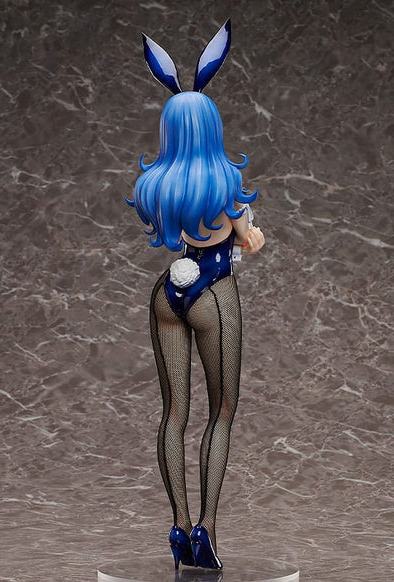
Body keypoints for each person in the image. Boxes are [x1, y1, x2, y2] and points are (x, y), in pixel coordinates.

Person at [127, 20, 265, 570]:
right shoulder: (225, 185)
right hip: (214, 292)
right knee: (222, 411)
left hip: (168, 291)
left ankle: (179, 527)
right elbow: (248, 241)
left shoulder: (160, 184)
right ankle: (206, 528)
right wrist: (252, 234)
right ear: (211, 127)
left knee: (173, 414)